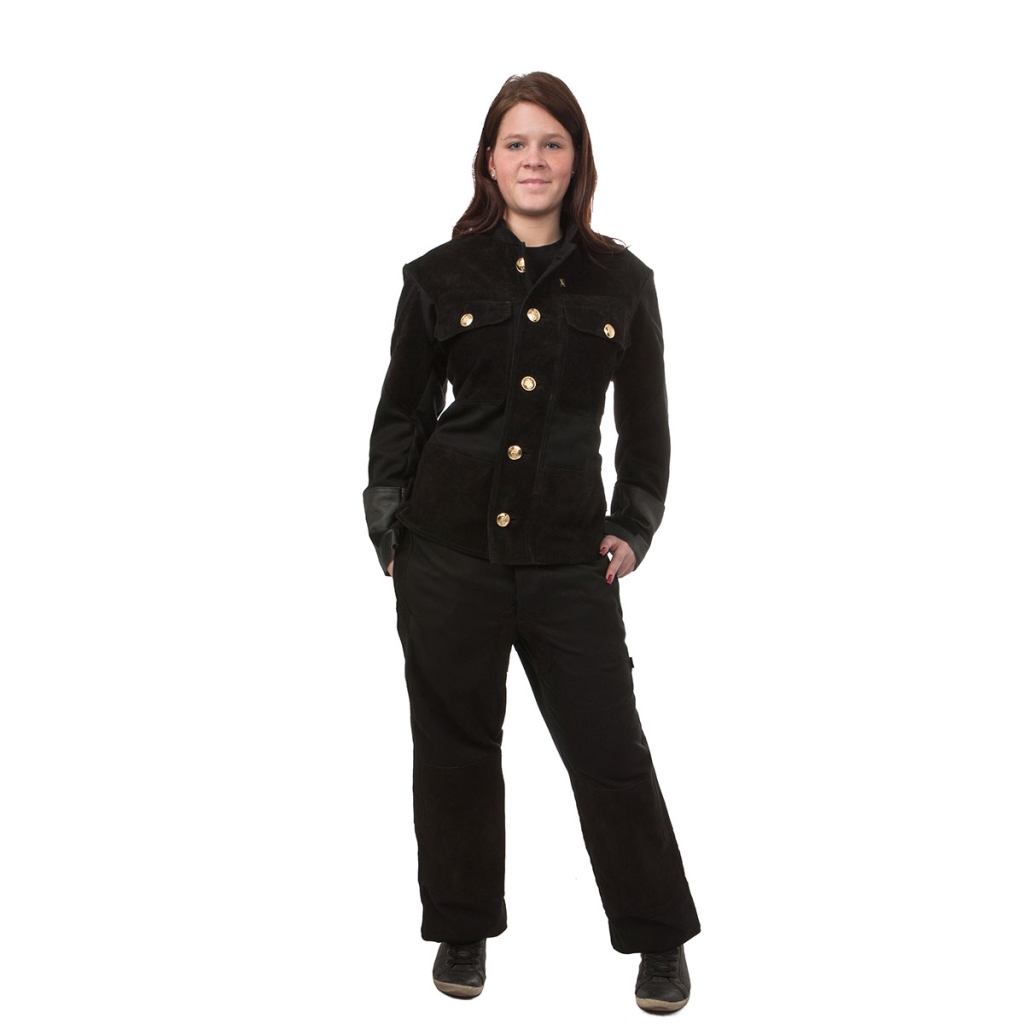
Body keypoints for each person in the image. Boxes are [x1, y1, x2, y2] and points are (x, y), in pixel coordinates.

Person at [363, 71, 700, 1014]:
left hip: (568, 563)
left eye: (552, 142)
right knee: (456, 751)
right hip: (447, 555)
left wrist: (632, 524)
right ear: (489, 161)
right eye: (516, 143)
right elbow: (400, 416)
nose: (534, 159)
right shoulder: (437, 278)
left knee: (610, 751)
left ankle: (659, 938)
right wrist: (390, 528)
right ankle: (462, 927)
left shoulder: (622, 283)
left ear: (577, 158)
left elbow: (647, 432)